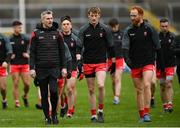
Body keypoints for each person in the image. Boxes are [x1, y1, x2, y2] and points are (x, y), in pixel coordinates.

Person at [122, 6, 162, 122]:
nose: (132, 18)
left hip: (148, 62)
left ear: (141, 15)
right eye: (131, 15)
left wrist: (161, 65)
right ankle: (142, 114)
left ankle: (147, 113)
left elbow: (158, 47)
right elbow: (125, 48)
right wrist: (129, 62)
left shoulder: (150, 29)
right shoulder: (128, 31)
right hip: (135, 64)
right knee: (139, 90)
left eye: (134, 15)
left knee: (146, 85)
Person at [78, 7, 115, 123]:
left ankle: (100, 110)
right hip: (88, 62)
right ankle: (93, 115)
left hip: (100, 62)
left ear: (99, 16)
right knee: (91, 89)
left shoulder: (105, 29)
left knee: (100, 85)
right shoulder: (83, 30)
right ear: (88, 16)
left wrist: (113, 62)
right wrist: (79, 62)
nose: (94, 18)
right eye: (91, 15)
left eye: (96, 15)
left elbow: (111, 46)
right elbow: (79, 47)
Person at [30, 10, 67, 125]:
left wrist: (64, 67)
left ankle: (54, 114)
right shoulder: (35, 34)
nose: (50, 20)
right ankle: (47, 117)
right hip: (41, 69)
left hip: (54, 69)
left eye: (51, 18)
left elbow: (62, 52)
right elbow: (32, 52)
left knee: (54, 91)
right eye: (48, 18)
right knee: (44, 94)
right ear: (42, 20)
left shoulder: (57, 33)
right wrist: (32, 68)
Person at [156, 18, 176, 113]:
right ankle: (165, 105)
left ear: (168, 26)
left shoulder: (173, 36)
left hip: (170, 64)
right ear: (160, 26)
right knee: (162, 85)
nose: (164, 28)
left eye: (166, 26)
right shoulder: (156, 37)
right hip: (160, 64)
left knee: (169, 83)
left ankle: (170, 104)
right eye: (163, 26)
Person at [9, 20, 31, 108]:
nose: (20, 29)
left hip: (24, 63)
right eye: (19, 27)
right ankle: (17, 102)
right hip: (14, 64)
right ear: (14, 28)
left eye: (21, 27)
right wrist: (10, 55)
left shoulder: (25, 38)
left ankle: (25, 95)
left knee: (27, 84)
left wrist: (28, 53)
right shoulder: (9, 39)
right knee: (16, 83)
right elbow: (5, 49)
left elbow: (33, 47)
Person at [108, 18, 124, 105]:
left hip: (120, 59)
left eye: (115, 26)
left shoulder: (122, 34)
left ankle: (117, 97)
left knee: (118, 78)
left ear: (118, 25)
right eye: (112, 27)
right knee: (113, 80)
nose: (114, 28)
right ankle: (115, 95)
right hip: (111, 60)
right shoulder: (108, 35)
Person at [0, 33, 12, 109]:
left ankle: (4, 100)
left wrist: (6, 61)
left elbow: (9, 52)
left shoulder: (4, 38)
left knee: (3, 88)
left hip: (1, 66)